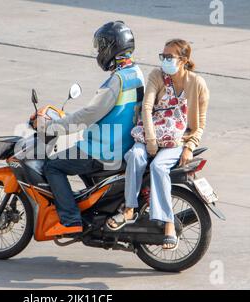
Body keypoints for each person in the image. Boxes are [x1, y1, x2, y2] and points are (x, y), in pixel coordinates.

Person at [35, 21, 145, 237]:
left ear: (111, 48)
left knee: (53, 167)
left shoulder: (116, 81)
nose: (99, 52)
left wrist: (53, 126)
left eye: (101, 46)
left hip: (101, 149)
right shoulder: (136, 73)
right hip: (122, 144)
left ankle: (70, 220)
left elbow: (88, 115)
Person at [107, 38, 210, 250]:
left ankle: (168, 223)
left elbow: (200, 124)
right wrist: (151, 140)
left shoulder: (197, 83)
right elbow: (147, 107)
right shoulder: (157, 75)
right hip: (149, 135)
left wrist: (189, 147)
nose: (165, 60)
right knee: (135, 156)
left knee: (158, 166)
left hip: (176, 141)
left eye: (169, 57)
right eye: (162, 56)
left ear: (183, 60)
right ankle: (129, 208)